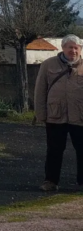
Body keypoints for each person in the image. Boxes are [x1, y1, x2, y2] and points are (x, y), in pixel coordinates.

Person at [33, 33, 83, 191]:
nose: (73, 51)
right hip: (55, 116)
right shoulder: (48, 65)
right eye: (70, 48)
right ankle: (50, 181)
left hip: (80, 116)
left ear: (80, 49)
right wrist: (41, 114)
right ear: (63, 48)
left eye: (76, 48)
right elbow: (40, 91)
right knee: (54, 150)